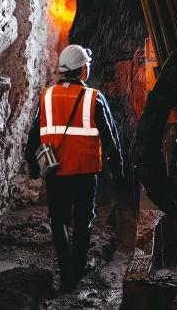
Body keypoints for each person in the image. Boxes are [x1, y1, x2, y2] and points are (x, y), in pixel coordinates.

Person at [24, 44, 125, 291]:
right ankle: (77, 267)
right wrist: (119, 173)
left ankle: (65, 268)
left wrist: (33, 165)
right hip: (84, 170)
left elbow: (34, 135)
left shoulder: (47, 96)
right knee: (83, 219)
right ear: (82, 70)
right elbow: (111, 141)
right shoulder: (94, 98)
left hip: (55, 171)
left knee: (57, 219)